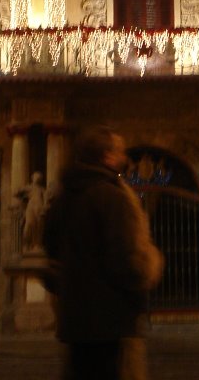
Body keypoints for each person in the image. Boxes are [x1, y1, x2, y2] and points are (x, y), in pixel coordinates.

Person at [44, 125, 163, 380]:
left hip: (74, 318)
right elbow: (125, 259)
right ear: (107, 156)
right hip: (110, 319)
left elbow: (49, 251)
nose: (125, 157)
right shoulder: (112, 197)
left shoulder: (63, 197)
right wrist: (147, 271)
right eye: (119, 151)